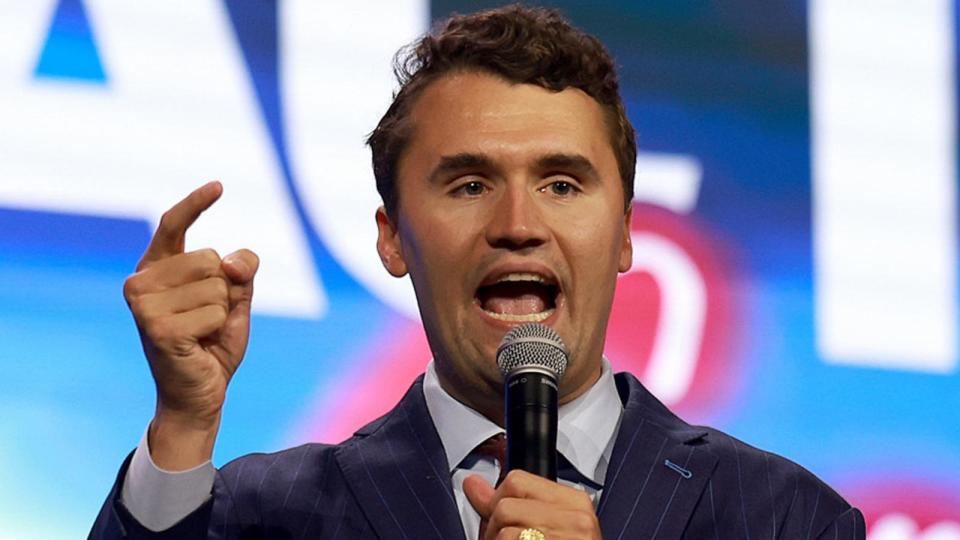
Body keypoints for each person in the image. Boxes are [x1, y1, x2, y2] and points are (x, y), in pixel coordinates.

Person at [91, 5, 864, 539]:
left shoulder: (786, 518)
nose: (519, 226)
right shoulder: (260, 514)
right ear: (393, 241)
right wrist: (185, 424)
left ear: (625, 234)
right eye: (469, 184)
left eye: (562, 184)